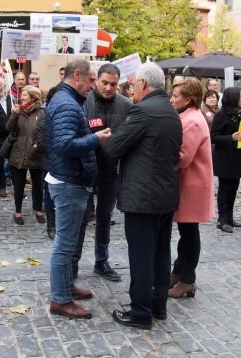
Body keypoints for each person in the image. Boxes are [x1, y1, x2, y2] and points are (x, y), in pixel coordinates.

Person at [104, 62, 182, 329]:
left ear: (144, 84)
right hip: (164, 195)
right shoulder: (171, 111)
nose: (131, 88)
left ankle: (140, 312)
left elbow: (114, 147)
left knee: (141, 256)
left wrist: (108, 136)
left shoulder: (143, 111)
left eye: (133, 83)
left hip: (143, 197)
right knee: (161, 254)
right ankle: (158, 306)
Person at [47, 59, 111, 319]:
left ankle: (66, 286)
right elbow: (64, 144)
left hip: (72, 179)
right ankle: (60, 299)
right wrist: (96, 139)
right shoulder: (66, 103)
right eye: (92, 80)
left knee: (70, 242)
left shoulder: (68, 101)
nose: (93, 86)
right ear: (77, 76)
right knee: (65, 244)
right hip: (69, 182)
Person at [72, 63, 132, 282]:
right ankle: (73, 262)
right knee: (81, 218)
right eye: (104, 82)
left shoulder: (126, 105)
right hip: (86, 169)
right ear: (96, 80)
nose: (108, 87)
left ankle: (101, 260)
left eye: (113, 84)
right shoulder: (83, 101)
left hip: (111, 170)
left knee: (105, 217)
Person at [169, 77, 214, 299]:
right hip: (189, 183)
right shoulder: (188, 116)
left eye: (175, 96)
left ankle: (187, 279)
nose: (172, 99)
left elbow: (183, 157)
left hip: (192, 185)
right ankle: (179, 272)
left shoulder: (193, 120)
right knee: (186, 233)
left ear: (187, 99)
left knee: (189, 234)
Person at [210, 87, 241, 233]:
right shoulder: (221, 115)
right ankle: (222, 219)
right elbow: (213, 136)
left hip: (238, 157)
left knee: (234, 187)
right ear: (233, 98)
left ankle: (230, 216)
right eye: (240, 97)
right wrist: (230, 137)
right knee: (225, 188)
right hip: (225, 158)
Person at [6, 85, 47, 225]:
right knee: (19, 185)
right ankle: (18, 212)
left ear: (33, 97)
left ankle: (39, 210)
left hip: (36, 154)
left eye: (24, 95)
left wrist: (38, 145)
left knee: (37, 184)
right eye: (21, 95)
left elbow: (46, 132)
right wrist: (13, 115)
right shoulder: (18, 112)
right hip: (18, 153)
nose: (21, 97)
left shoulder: (42, 113)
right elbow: (9, 129)